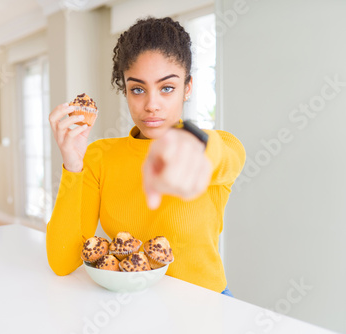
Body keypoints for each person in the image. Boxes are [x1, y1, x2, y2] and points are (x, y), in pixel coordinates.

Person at [46, 16, 246, 295]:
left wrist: (192, 147)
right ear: (125, 91)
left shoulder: (218, 146)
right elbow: (62, 261)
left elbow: (223, 155)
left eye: (167, 88)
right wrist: (72, 164)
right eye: (138, 89)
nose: (151, 105)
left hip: (205, 307)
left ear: (187, 88)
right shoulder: (99, 156)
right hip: (128, 308)